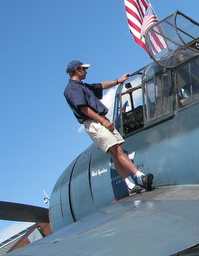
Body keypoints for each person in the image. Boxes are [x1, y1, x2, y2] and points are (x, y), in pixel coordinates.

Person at [63, 60, 153, 196]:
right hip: (94, 123)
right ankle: (140, 176)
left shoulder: (82, 86)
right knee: (117, 150)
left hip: (100, 121)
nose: (86, 71)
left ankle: (130, 185)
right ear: (77, 70)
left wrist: (118, 81)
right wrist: (102, 121)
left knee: (115, 153)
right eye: (84, 69)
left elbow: (100, 86)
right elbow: (84, 108)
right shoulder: (71, 89)